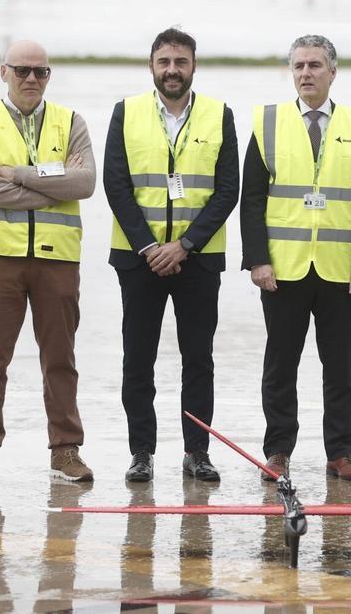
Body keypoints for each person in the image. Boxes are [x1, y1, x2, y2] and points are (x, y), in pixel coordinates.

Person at [240, 34, 351, 482]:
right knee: (280, 364)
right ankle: (278, 451)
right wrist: (257, 261)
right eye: (299, 66)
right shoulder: (268, 122)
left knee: (339, 367)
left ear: (333, 72)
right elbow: (252, 199)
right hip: (284, 268)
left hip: (341, 271)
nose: (306, 74)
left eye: (315, 66)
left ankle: (340, 453)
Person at [104, 28, 238, 483]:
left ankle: (197, 452)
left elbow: (227, 191)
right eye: (164, 62)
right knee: (136, 359)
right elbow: (116, 185)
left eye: (181, 62)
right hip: (138, 259)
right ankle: (141, 452)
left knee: (197, 359)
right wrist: (149, 247)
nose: (172, 70)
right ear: (152, 66)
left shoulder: (220, 115)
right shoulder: (127, 112)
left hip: (196, 261)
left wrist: (184, 245)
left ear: (194, 65)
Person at [0, 40, 96, 483]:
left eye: (41, 72)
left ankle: (66, 450)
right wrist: (54, 183)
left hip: (58, 261)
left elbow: (85, 183)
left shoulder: (71, 121)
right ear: (4, 72)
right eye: (22, 71)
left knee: (60, 358)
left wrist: (19, 174)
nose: (32, 79)